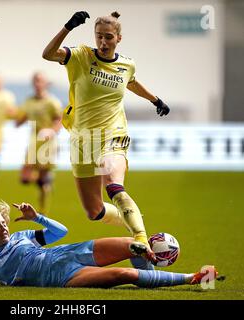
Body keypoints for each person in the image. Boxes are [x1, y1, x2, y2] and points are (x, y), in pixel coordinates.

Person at [41, 11, 171, 255]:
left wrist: (155, 100)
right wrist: (68, 27)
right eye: (99, 36)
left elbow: (130, 82)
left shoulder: (126, 65)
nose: (103, 42)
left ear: (119, 39)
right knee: (94, 211)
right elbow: (48, 54)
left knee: (112, 184)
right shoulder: (80, 56)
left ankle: (141, 238)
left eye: (108, 37)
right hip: (82, 140)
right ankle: (130, 215)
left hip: (114, 135)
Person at [0, 199, 221, 289]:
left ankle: (151, 269)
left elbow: (59, 231)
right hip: (62, 277)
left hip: (68, 252)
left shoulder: (22, 236)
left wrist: (37, 218)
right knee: (123, 277)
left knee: (132, 244)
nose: (2, 228)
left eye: (3, 223)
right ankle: (191, 278)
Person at [15, 72, 62, 213]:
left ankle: (42, 210)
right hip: (33, 141)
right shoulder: (29, 101)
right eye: (35, 80)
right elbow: (23, 116)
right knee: (24, 178)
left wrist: (51, 131)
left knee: (42, 180)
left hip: (47, 143)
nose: (37, 83)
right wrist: (18, 121)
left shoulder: (52, 102)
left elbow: (59, 120)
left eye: (40, 81)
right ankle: (47, 180)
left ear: (46, 83)